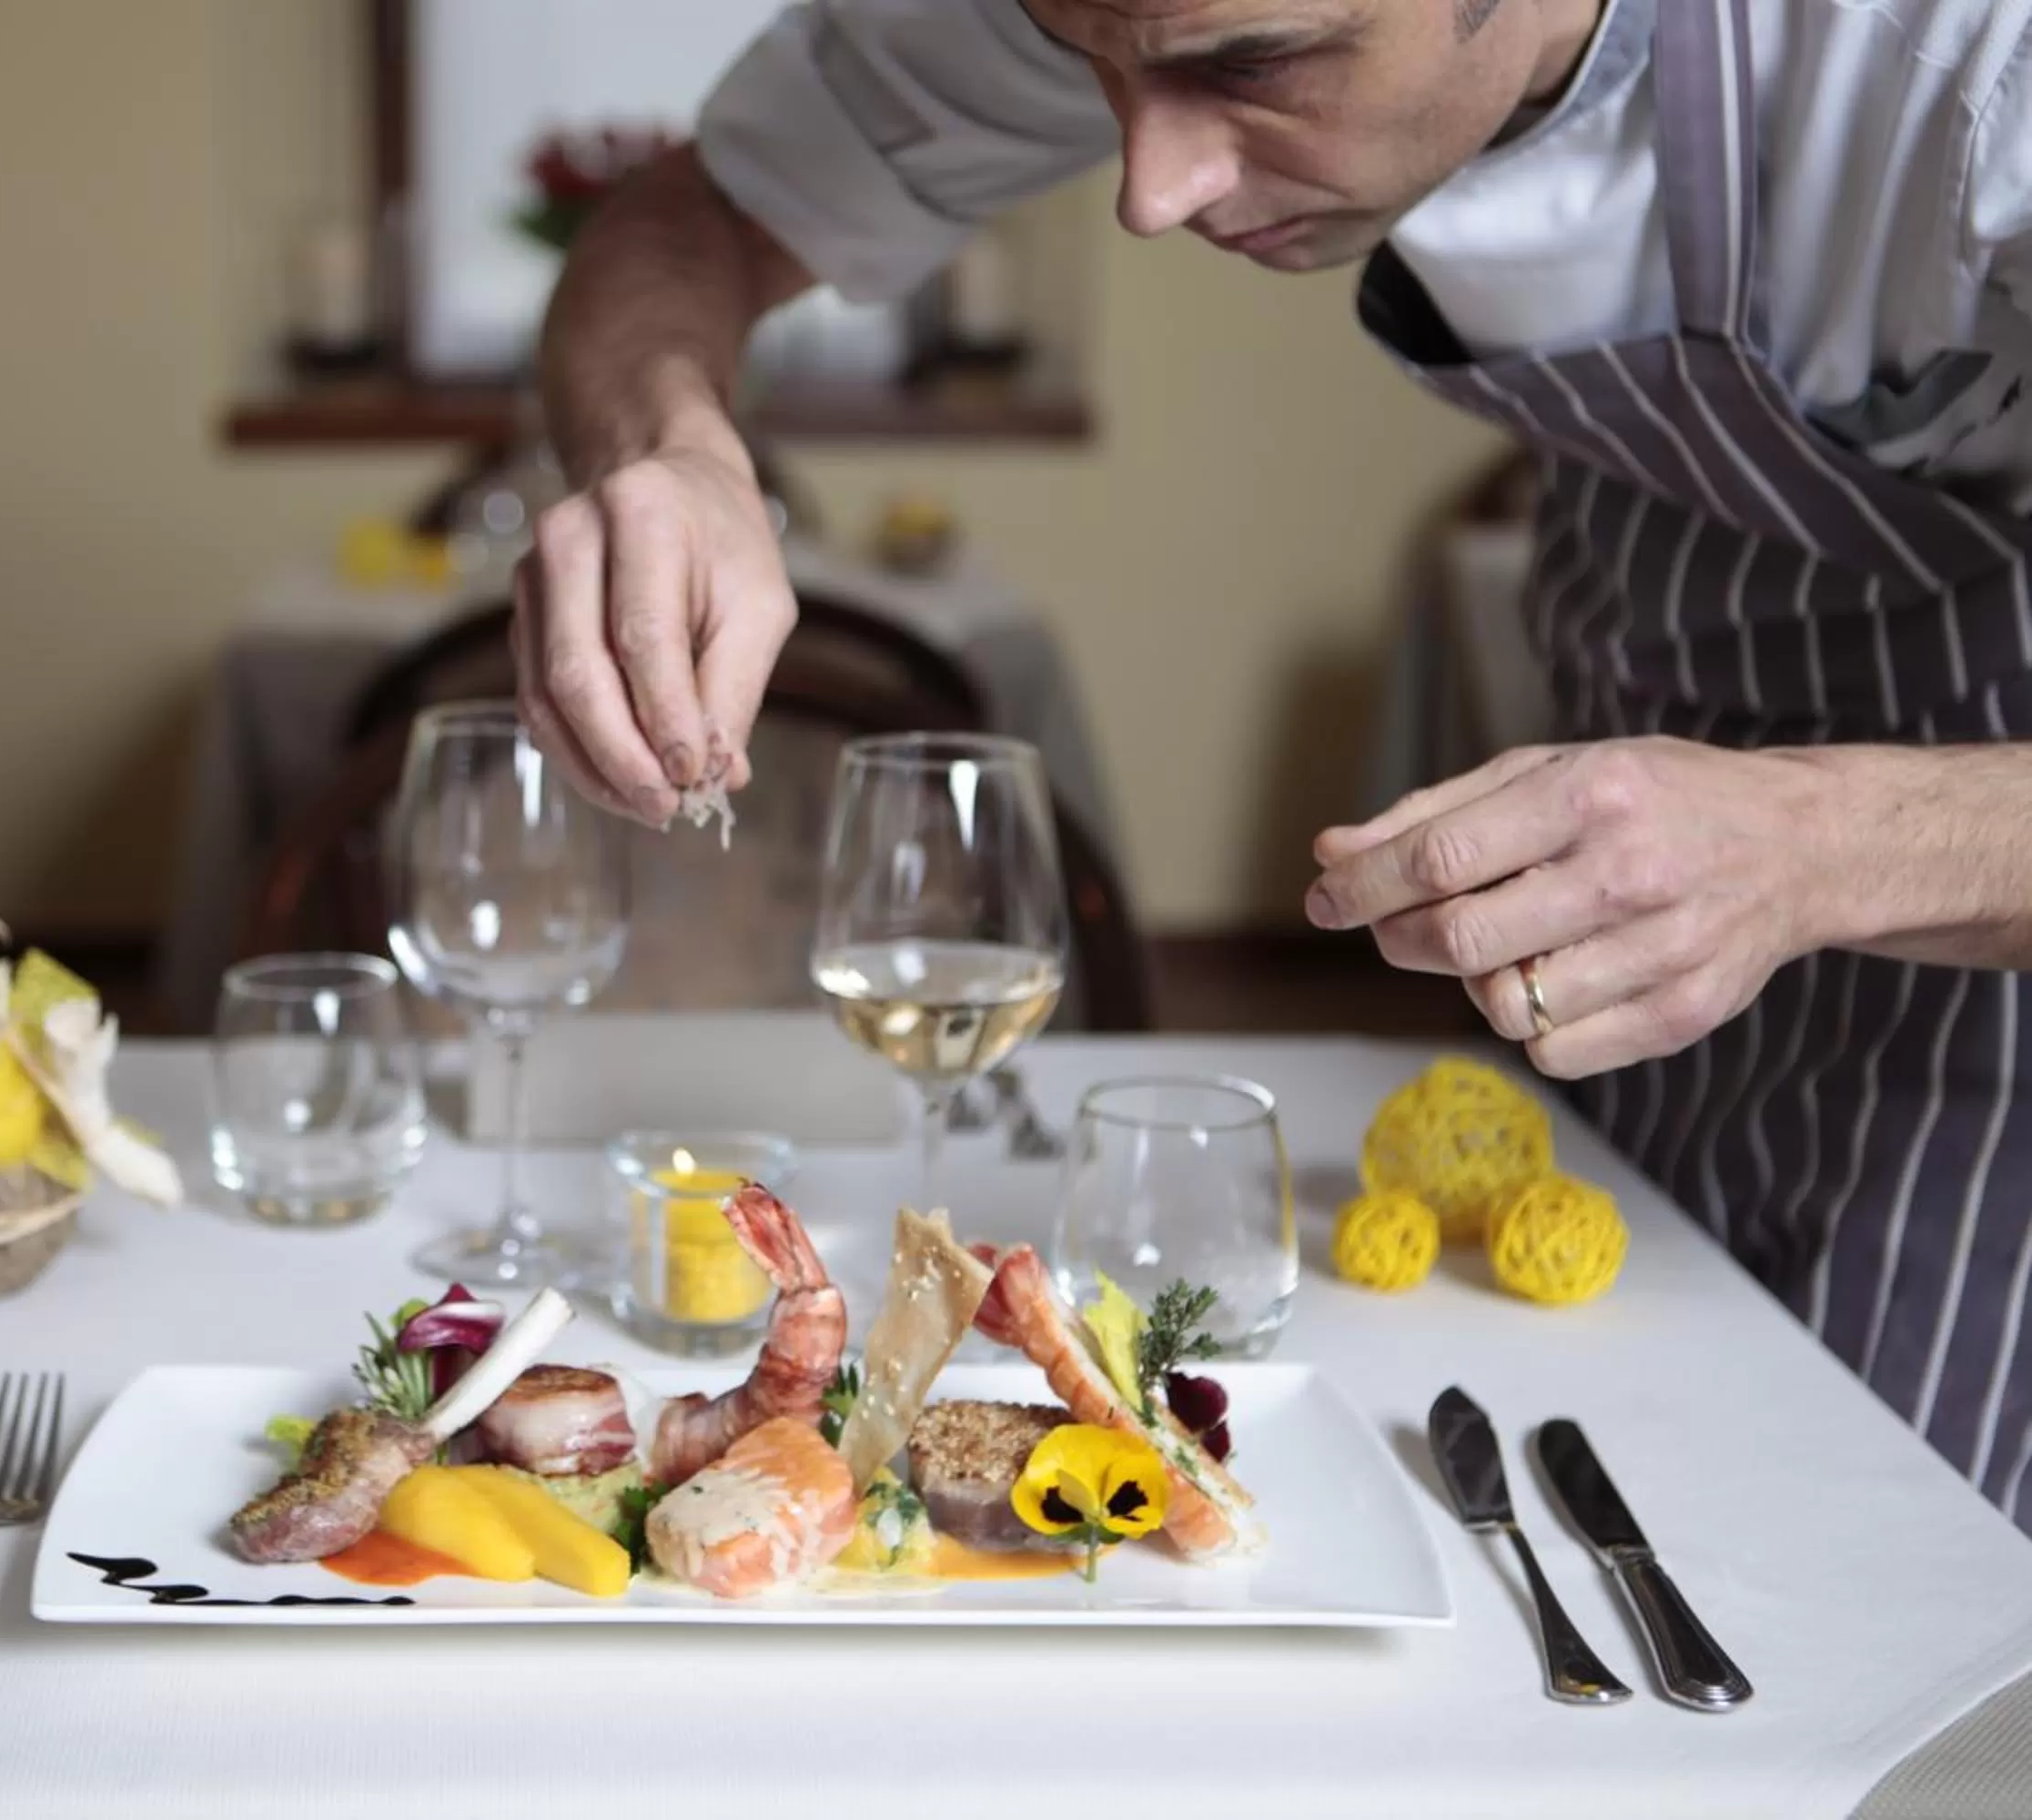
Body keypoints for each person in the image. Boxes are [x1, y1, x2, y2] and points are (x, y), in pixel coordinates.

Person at [513, 0, 2032, 1532]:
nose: (1145, 192)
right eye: (1091, 69)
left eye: (1254, 66)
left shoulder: (1976, 61)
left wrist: (1823, 843)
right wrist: (671, 442)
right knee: (1649, 1520)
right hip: (1643, 986)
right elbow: (691, 219)